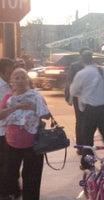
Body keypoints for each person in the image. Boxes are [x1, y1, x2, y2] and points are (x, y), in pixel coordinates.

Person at [0, 67, 50, 200]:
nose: (20, 80)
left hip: (33, 145)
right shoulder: (8, 97)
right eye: (17, 78)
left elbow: (46, 115)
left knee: (32, 179)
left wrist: (34, 107)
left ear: (28, 80)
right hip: (11, 144)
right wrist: (16, 106)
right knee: (9, 176)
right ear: (11, 82)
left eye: (23, 77)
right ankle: (10, 195)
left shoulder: (36, 96)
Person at [70, 50, 104, 175]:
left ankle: (88, 163)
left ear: (82, 60)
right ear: (93, 58)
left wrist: (83, 94)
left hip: (90, 109)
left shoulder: (82, 73)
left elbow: (73, 91)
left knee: (88, 138)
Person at [65, 47, 91, 155]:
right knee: (81, 121)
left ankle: (83, 146)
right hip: (79, 97)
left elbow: (69, 81)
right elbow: (70, 82)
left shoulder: (77, 66)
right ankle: (81, 146)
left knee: (83, 122)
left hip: (87, 97)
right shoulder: (75, 66)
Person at [0, 58, 16, 200]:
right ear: (5, 70)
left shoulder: (11, 85)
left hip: (11, 131)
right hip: (1, 131)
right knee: (4, 163)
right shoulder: (2, 87)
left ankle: (12, 188)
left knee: (9, 163)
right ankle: (4, 193)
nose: (13, 71)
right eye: (12, 68)